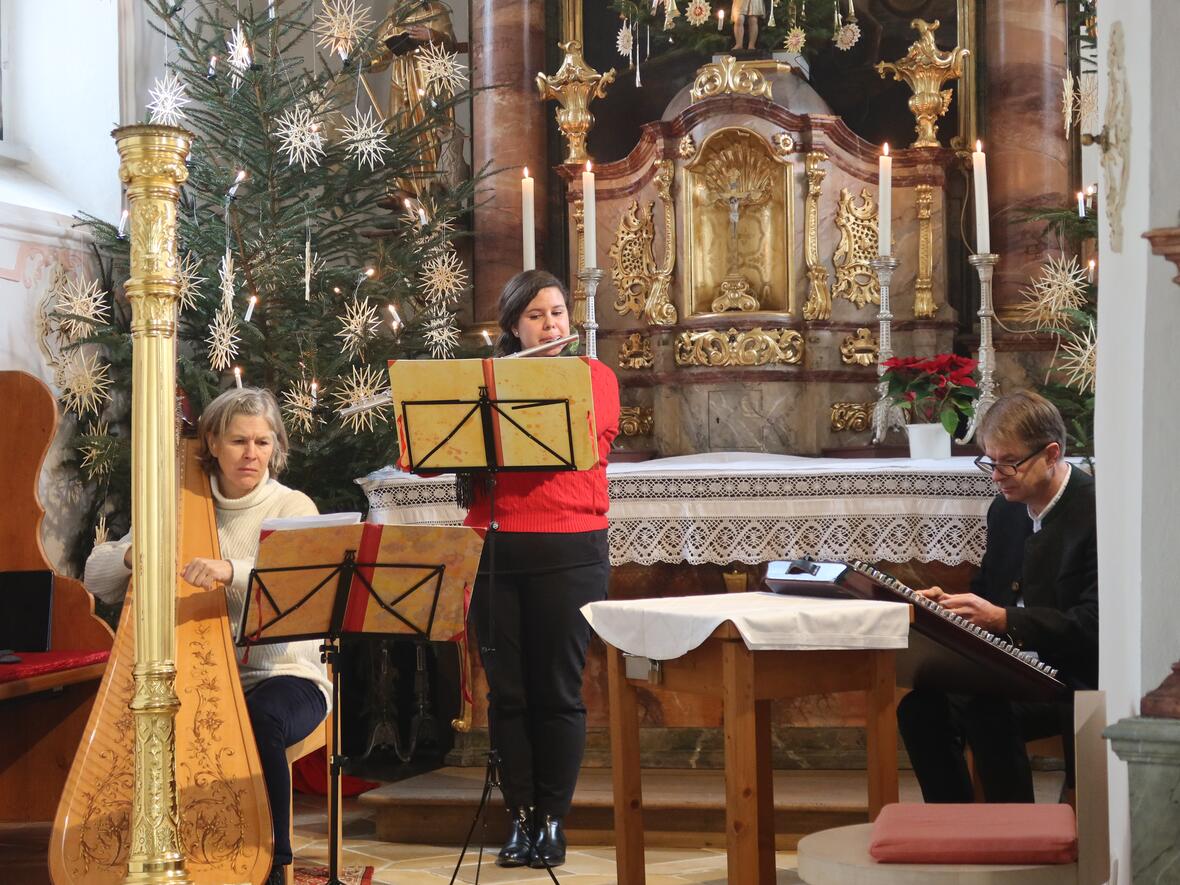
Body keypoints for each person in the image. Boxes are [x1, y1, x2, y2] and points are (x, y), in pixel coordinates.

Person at [85, 387, 330, 885]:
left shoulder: (290, 505)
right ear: (212, 442)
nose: (252, 455)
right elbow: (95, 577)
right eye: (240, 441)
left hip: (283, 673)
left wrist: (230, 570)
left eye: (263, 442)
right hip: (197, 673)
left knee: (261, 719)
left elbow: (301, 588)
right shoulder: (181, 504)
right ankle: (156, 848)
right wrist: (134, 556)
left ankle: (273, 863)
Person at [464, 269, 619, 868]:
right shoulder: (481, 383)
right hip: (494, 548)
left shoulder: (591, 376)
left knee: (556, 691)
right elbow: (424, 456)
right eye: (535, 316)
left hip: (569, 547)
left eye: (557, 313)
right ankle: (520, 819)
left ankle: (553, 820)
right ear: (512, 326)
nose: (550, 325)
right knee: (506, 695)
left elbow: (586, 445)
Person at [896, 390, 1098, 803]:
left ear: (1051, 453)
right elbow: (988, 592)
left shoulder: (1095, 510)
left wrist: (1004, 619)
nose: (996, 474)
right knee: (919, 709)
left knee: (987, 711)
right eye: (990, 461)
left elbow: (1094, 623)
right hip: (1008, 667)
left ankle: (1016, 840)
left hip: (1072, 673)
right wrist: (949, 608)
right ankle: (960, 831)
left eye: (1009, 462)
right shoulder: (1005, 510)